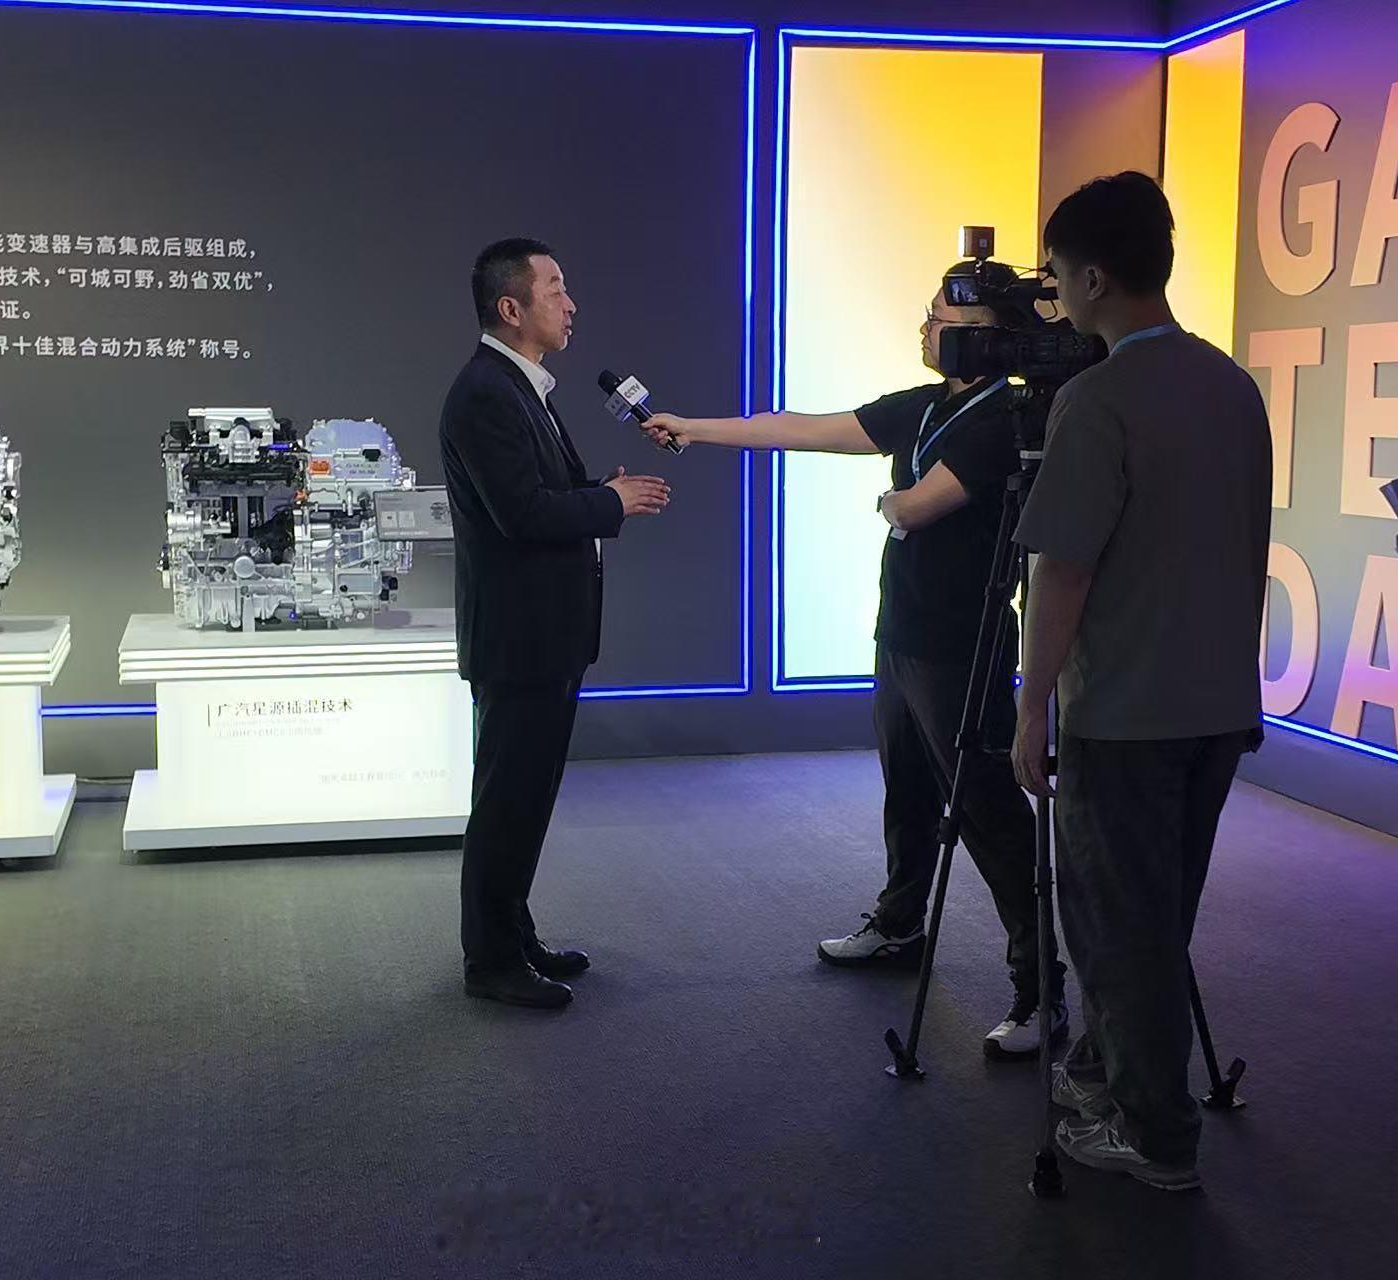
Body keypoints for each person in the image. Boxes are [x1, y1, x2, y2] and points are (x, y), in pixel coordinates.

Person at [642, 279, 1066, 1059]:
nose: (927, 328)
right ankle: (899, 924)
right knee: (907, 789)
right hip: (900, 633)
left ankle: (1040, 989)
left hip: (963, 646)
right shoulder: (923, 406)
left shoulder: (1002, 421)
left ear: (988, 336)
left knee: (985, 811)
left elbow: (918, 506)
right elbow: (802, 429)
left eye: (945, 320)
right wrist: (693, 428)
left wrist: (893, 503)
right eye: (929, 315)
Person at [1009, 172, 1272, 1192]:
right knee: (1158, 918)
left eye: (1055, 275)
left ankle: (1155, 1134)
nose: (1051, 295)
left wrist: (1032, 704)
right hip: (1218, 706)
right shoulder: (1231, 385)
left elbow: (1061, 569)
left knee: (1119, 928)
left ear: (1092, 278)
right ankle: (1106, 1072)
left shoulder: (1097, 399)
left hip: (1124, 711)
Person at [440, 237, 671, 1010]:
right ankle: (491, 961)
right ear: (511, 308)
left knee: (526, 799)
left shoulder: (520, 387)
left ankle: (514, 935)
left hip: (545, 636)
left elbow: (543, 495)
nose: (571, 305)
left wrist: (599, 493)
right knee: (507, 801)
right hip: (520, 638)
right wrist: (610, 503)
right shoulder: (486, 392)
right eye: (555, 290)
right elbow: (522, 514)